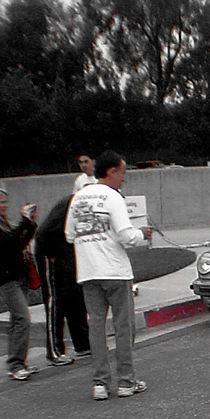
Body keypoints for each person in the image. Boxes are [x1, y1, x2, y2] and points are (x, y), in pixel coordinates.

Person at [65, 151, 151, 401]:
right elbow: (126, 235)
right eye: (122, 172)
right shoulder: (113, 197)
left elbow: (70, 235)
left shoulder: (78, 197)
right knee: (123, 326)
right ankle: (126, 381)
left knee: (96, 327)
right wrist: (142, 234)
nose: (124, 178)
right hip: (114, 270)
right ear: (111, 171)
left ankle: (100, 383)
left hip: (88, 272)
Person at [0, 186, 38, 381]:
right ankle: (16, 364)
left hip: (18, 274)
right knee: (23, 319)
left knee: (16, 320)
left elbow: (19, 244)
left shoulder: (4, 223)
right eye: (2, 202)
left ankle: (17, 361)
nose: (5, 205)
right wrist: (23, 221)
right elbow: (8, 243)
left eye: (6, 202)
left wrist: (30, 223)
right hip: (5, 279)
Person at [35, 194, 90, 365]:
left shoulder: (87, 204)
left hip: (67, 251)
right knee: (55, 301)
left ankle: (82, 344)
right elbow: (45, 232)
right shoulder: (74, 203)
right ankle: (54, 351)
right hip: (50, 252)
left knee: (76, 296)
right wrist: (55, 258)